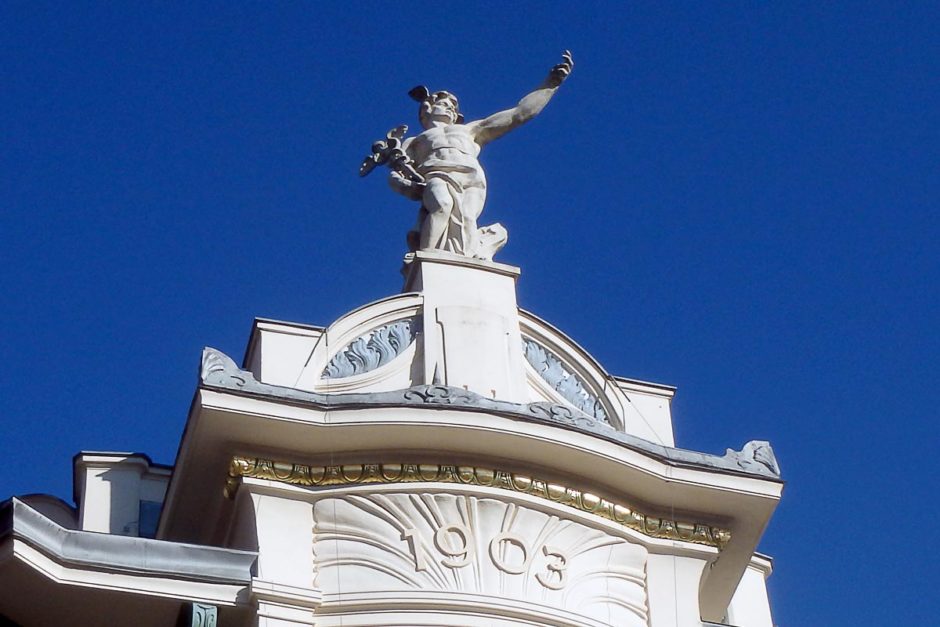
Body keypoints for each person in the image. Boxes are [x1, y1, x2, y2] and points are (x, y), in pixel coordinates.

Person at [389, 51, 573, 260]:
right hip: (437, 174)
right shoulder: (414, 141)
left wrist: (550, 85)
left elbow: (519, 114)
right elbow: (397, 173)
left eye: (453, 107)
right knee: (442, 205)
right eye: (444, 104)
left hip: (472, 179)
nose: (450, 108)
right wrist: (404, 185)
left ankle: (465, 260)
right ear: (426, 108)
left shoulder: (470, 130)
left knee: (467, 219)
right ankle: (427, 260)